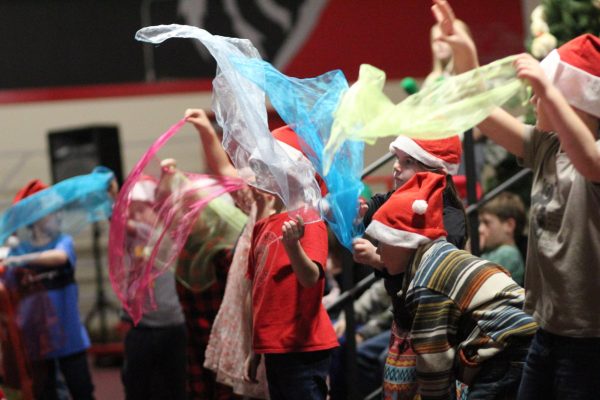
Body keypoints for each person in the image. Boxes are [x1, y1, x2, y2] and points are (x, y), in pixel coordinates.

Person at [432, 0, 600, 397]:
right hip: (546, 332)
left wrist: (547, 87)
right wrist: (464, 53)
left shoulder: (591, 154)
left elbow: (591, 162)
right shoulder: (547, 147)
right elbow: (483, 113)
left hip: (590, 342)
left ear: (575, 101)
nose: (531, 103)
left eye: (539, 95)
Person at [366, 171, 538, 399]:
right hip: (520, 342)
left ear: (404, 242)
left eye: (382, 241)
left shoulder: (426, 282)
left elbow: (434, 367)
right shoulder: (439, 256)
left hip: (509, 350)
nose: (378, 250)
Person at [353, 134, 467, 399]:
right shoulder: (397, 198)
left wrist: (377, 259)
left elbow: (434, 270)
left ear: (434, 171)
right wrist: (359, 209)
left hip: (435, 330)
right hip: (403, 323)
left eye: (407, 162)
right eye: (397, 159)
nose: (396, 167)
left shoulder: (450, 217)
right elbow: (375, 204)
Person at [242, 126, 338, 400]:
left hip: (302, 347)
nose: (262, 176)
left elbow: (311, 279)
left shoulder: (309, 219)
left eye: (270, 167)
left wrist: (293, 246)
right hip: (275, 347)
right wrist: (254, 349)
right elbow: (256, 290)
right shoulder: (263, 225)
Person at [4, 179, 95, 400]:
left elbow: (60, 258)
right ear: (34, 217)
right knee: (45, 394)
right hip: (38, 344)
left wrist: (18, 259)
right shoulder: (18, 250)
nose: (57, 215)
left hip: (70, 340)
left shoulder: (62, 242)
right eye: (50, 211)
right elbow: (7, 288)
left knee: (82, 391)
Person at [120, 176, 187, 400]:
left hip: (171, 325)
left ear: (155, 209)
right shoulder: (135, 242)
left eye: (140, 210)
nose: (134, 217)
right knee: (137, 386)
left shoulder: (164, 235)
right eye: (132, 211)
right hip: (140, 326)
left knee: (172, 387)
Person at [478, 192, 526, 286]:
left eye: (486, 222)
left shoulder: (508, 254)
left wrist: (471, 252)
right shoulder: (494, 251)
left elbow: (476, 281)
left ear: (509, 225)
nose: (480, 229)